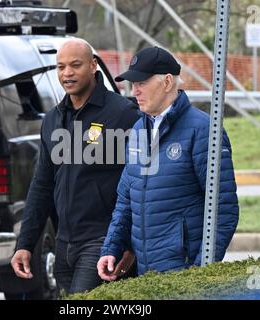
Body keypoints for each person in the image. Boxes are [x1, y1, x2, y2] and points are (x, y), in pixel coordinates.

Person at [97, 46, 239, 280]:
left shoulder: (204, 130)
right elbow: (125, 201)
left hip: (185, 274)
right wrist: (111, 248)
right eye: (133, 85)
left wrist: (201, 272)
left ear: (167, 82)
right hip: (147, 275)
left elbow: (224, 209)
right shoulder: (137, 131)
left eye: (141, 83)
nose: (135, 91)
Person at [10, 39, 140, 295]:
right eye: (61, 67)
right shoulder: (52, 119)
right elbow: (42, 186)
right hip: (64, 245)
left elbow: (141, 184)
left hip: (103, 243)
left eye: (75, 65)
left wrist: (129, 243)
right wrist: (24, 244)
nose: (67, 73)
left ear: (93, 66)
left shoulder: (123, 114)